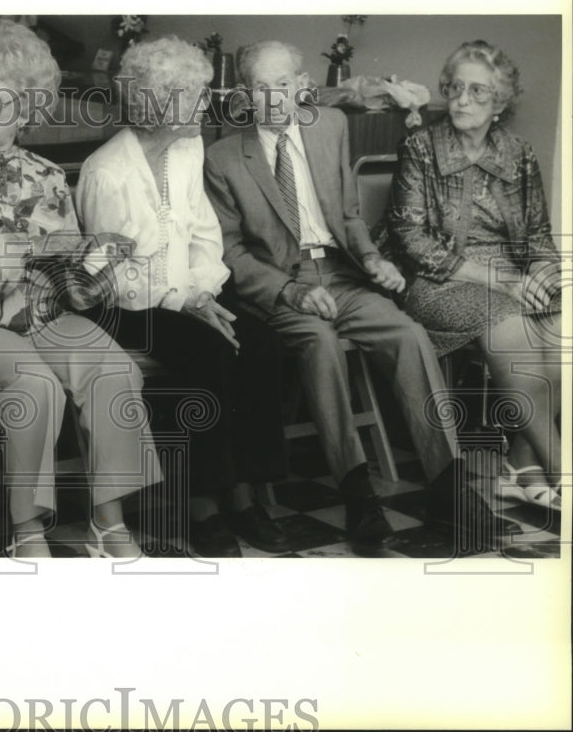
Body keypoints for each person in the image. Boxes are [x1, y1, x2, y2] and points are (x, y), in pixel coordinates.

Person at [203, 39, 513, 553]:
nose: (274, 97)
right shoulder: (223, 158)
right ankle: (358, 494)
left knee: (409, 334)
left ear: (302, 86)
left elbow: (347, 215)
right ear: (244, 94)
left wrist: (372, 259)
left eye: (283, 84)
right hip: (282, 287)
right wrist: (292, 291)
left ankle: (447, 486)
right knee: (321, 346)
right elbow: (231, 254)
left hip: (343, 276)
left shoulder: (330, 127)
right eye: (261, 87)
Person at [0, 18, 162, 558]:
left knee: (114, 369)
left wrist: (91, 274)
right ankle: (26, 531)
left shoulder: (48, 175)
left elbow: (66, 276)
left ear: (26, 107)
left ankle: (108, 523)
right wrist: (32, 253)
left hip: (39, 314)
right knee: (36, 385)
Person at [75, 36, 290, 556]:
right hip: (124, 307)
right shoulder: (107, 172)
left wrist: (201, 294)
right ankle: (203, 506)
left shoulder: (188, 147)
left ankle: (245, 496)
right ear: (157, 105)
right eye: (193, 95)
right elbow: (118, 277)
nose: (204, 103)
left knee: (263, 345)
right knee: (208, 351)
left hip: (187, 294)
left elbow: (203, 234)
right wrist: (185, 305)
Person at [383, 40, 561, 512]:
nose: (461, 100)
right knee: (513, 325)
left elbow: (538, 233)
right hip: (439, 280)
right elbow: (410, 239)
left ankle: (521, 466)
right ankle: (562, 466)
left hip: (512, 277)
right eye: (455, 88)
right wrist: (503, 281)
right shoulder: (420, 147)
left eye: (478, 92)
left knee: (563, 327)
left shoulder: (518, 153)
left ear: (499, 104)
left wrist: (545, 271)